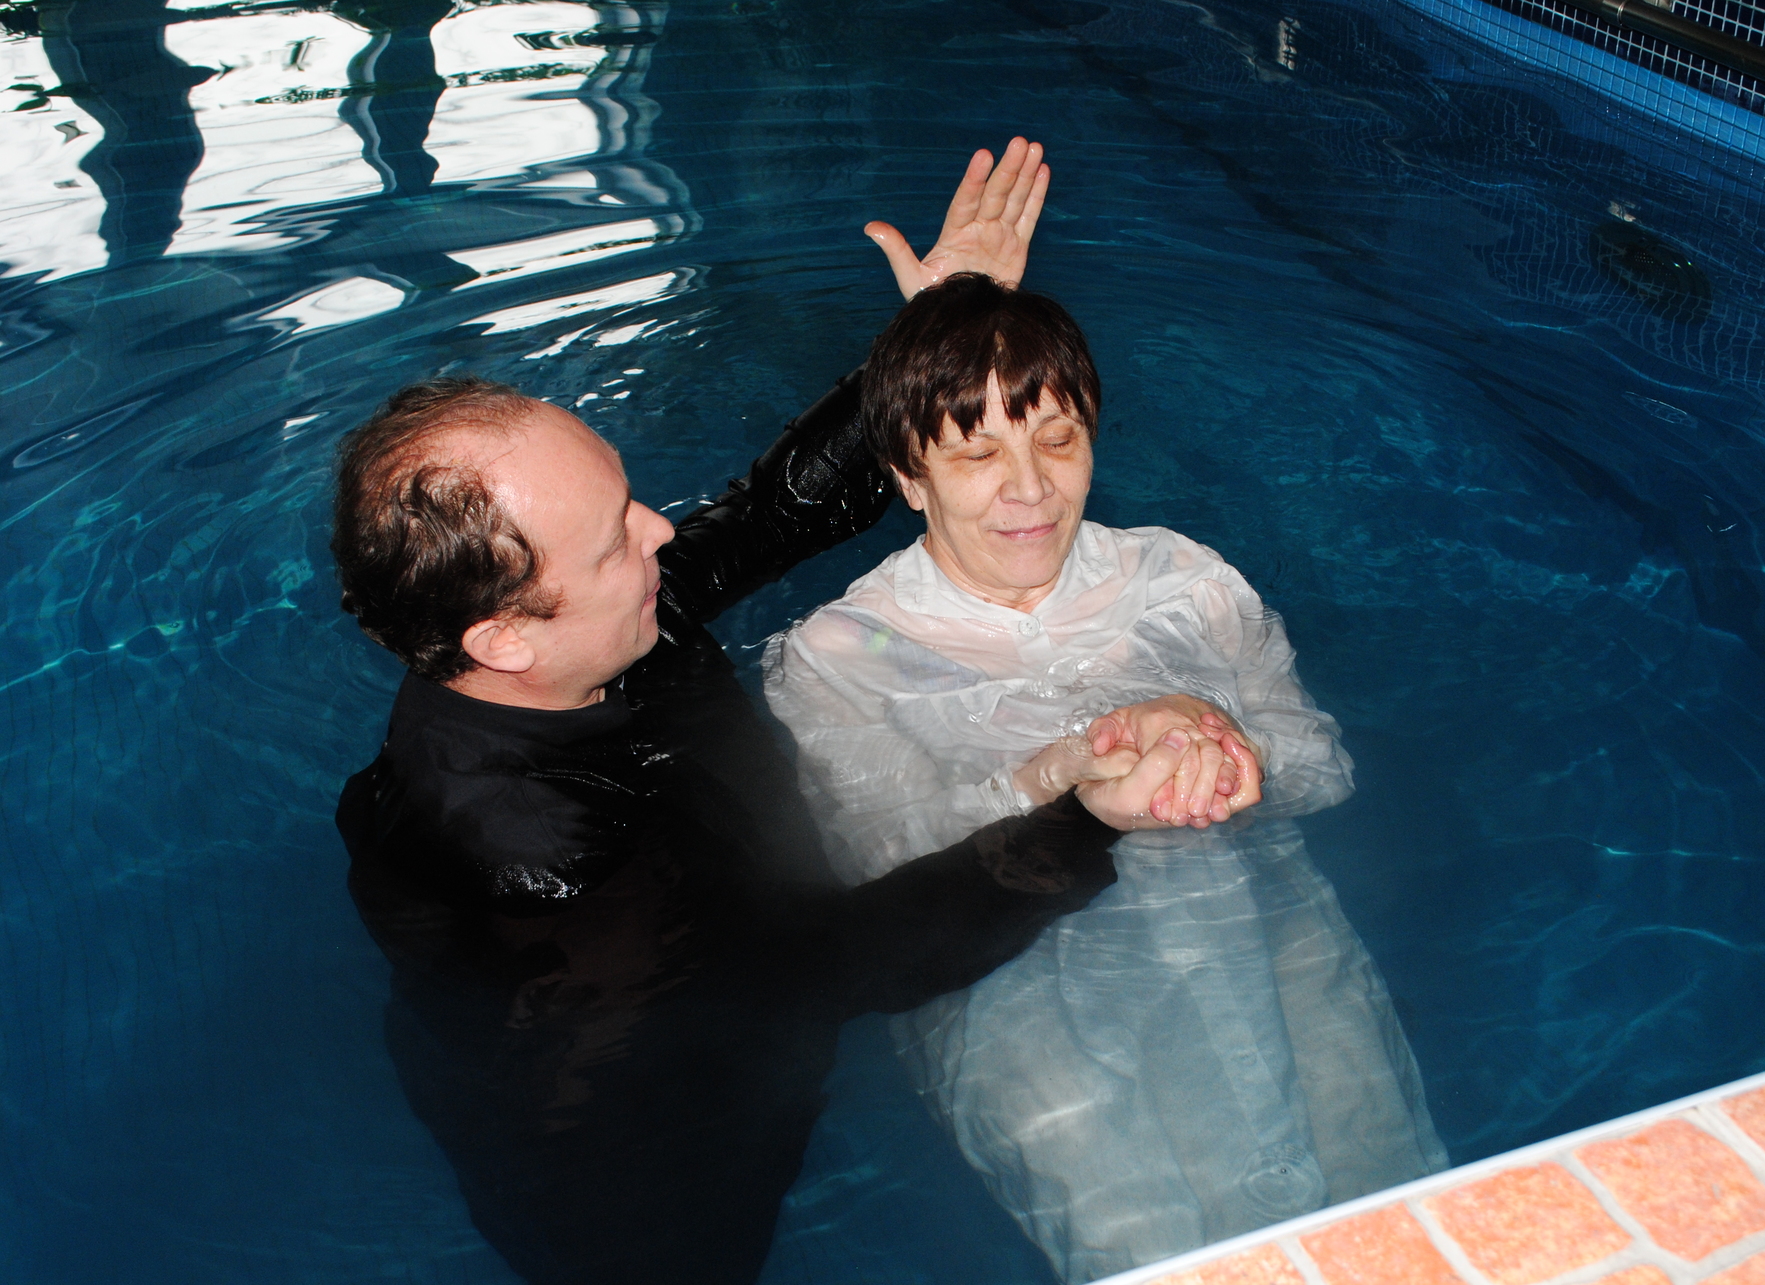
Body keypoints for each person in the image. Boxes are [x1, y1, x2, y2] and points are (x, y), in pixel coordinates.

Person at [329, 140, 1236, 1285]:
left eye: (629, 498)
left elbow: (763, 515)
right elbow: (834, 967)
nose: (660, 530)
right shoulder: (549, 871)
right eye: (614, 539)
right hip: (649, 1195)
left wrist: (937, 335)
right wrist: (1083, 817)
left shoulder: (573, 636)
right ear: (503, 637)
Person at [763, 273, 1449, 1283]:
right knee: (1159, 1257)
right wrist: (1060, 770)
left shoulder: (1185, 582)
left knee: (1405, 1228)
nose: (1030, 489)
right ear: (908, 474)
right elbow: (887, 869)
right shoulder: (838, 656)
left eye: (1058, 439)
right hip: (1024, 995)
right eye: (978, 454)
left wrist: (1233, 747)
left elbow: (1323, 768)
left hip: (1268, 937)